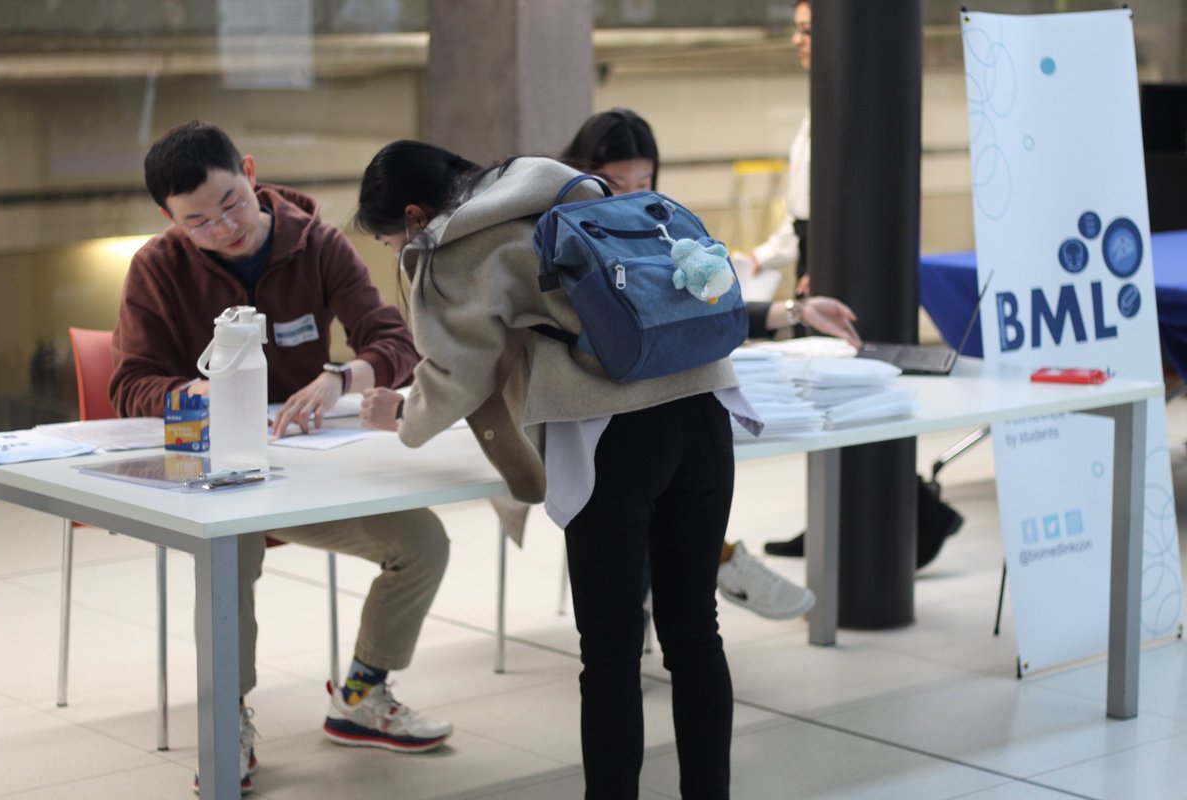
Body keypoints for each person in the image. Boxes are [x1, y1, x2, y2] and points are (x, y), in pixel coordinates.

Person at [355, 140, 746, 799]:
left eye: (393, 243)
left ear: (415, 216)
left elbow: (456, 371)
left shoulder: (453, 247)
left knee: (613, 659)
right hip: (705, 410)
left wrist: (399, 416)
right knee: (694, 634)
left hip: (613, 436)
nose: (400, 256)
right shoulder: (571, 190)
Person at [110, 121, 452, 795]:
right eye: (198, 222)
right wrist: (195, 392)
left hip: (307, 474)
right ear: (169, 219)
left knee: (423, 543)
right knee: (230, 549)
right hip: (216, 476)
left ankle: (361, 694)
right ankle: (228, 717)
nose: (223, 227)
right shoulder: (157, 266)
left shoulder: (317, 244)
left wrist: (340, 377)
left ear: (250, 170)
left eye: (231, 203)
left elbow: (395, 341)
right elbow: (129, 383)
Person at [562, 107, 861, 620]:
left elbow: (701, 309)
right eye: (615, 182)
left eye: (645, 180)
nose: (631, 194)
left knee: (686, 618)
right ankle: (721, 562)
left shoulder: (658, 229)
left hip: (666, 418)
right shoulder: (562, 240)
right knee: (638, 621)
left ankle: (717, 563)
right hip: (594, 427)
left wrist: (796, 310)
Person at [734, 0, 964, 564]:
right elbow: (801, 209)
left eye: (809, 30)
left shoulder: (850, 98)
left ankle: (916, 516)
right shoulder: (823, 99)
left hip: (847, 259)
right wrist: (764, 258)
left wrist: (829, 259)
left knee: (845, 394)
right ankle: (850, 518)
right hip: (822, 251)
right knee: (828, 395)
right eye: (796, 31)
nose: (799, 41)